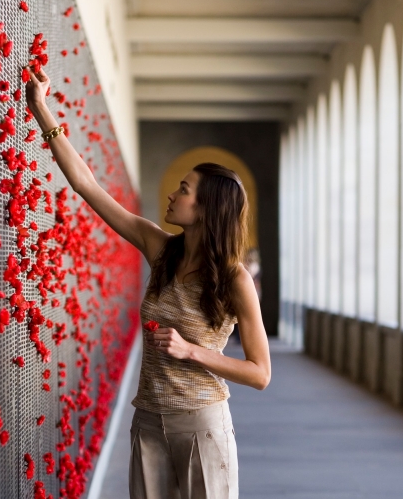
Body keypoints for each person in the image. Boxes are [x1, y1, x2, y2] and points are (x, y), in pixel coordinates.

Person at [25, 66, 271, 499]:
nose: (173, 195)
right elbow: (87, 186)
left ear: (207, 208)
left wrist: (191, 350)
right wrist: (40, 108)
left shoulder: (234, 279)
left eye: (184, 190)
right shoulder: (159, 249)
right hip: (148, 425)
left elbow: (260, 373)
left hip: (203, 428)